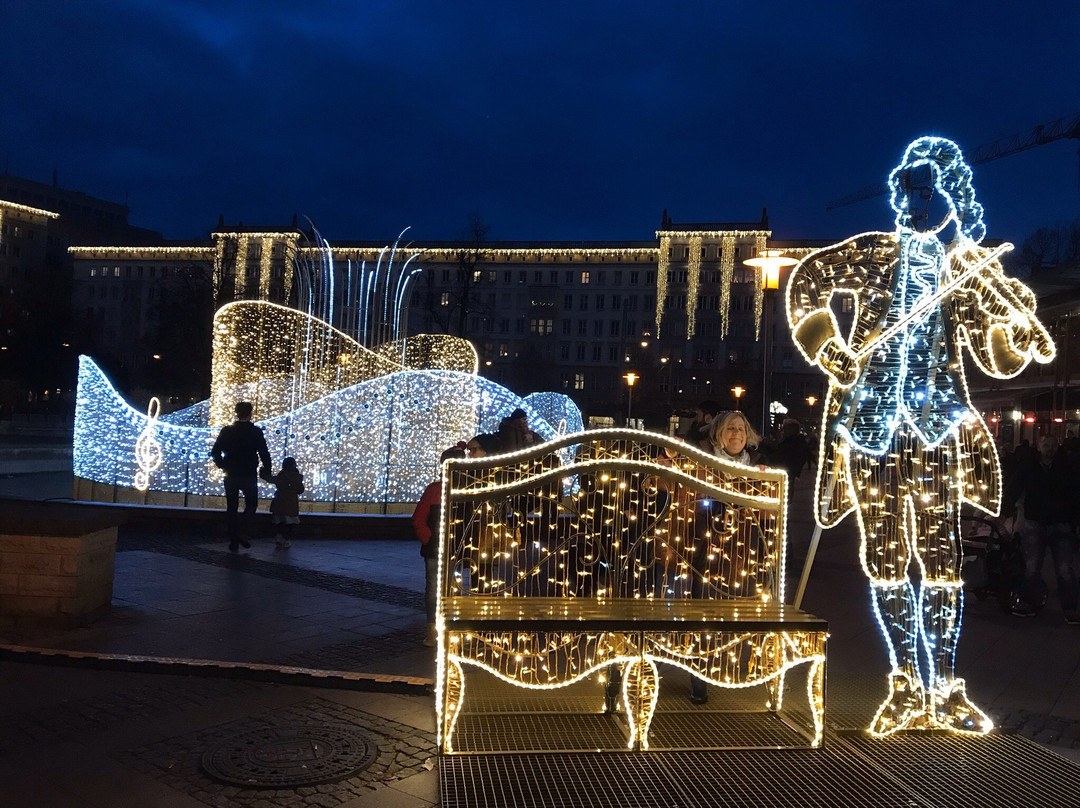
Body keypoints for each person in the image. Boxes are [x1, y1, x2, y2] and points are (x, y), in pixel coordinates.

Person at [786, 137, 1054, 735]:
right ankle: (905, 682)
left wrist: (1018, 336)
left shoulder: (967, 273)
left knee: (941, 559)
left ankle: (946, 687)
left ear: (947, 203)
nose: (913, 204)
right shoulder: (874, 255)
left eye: (926, 194)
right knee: (883, 557)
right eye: (905, 193)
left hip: (933, 433)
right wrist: (830, 347)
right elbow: (807, 282)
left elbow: (995, 359)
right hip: (872, 431)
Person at [1001, 435, 1080, 622]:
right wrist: (1004, 511)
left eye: (1053, 445)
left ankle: (1070, 608)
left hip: (1060, 524)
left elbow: (1075, 495)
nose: (1050, 448)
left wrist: (1074, 522)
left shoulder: (1066, 468)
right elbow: (1014, 487)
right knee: (1032, 567)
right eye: (1046, 445)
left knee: (1064, 568)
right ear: (1039, 446)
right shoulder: (1030, 466)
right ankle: (1030, 603)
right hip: (1035, 522)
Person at [413, 444, 468, 647]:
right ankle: (435, 630)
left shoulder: (459, 490)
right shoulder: (435, 490)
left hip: (451, 548)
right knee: (439, 589)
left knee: (448, 588)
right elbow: (419, 518)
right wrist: (429, 539)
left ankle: (446, 629)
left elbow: (418, 518)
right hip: (440, 549)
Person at [211, 401, 272, 552]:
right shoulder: (255, 432)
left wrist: (222, 464)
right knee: (251, 504)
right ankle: (242, 532)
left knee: (232, 506)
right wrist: (267, 469)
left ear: (236, 413)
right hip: (248, 473)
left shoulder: (227, 431)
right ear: (250, 413)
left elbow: (215, 451)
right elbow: (264, 452)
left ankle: (234, 538)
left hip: (230, 473)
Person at [262, 457, 305, 549]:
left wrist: (263, 473)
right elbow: (300, 490)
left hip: (280, 502)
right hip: (292, 503)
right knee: (290, 523)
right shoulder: (297, 478)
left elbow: (271, 479)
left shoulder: (282, 475)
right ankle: (286, 539)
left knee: (279, 521)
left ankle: (279, 537)